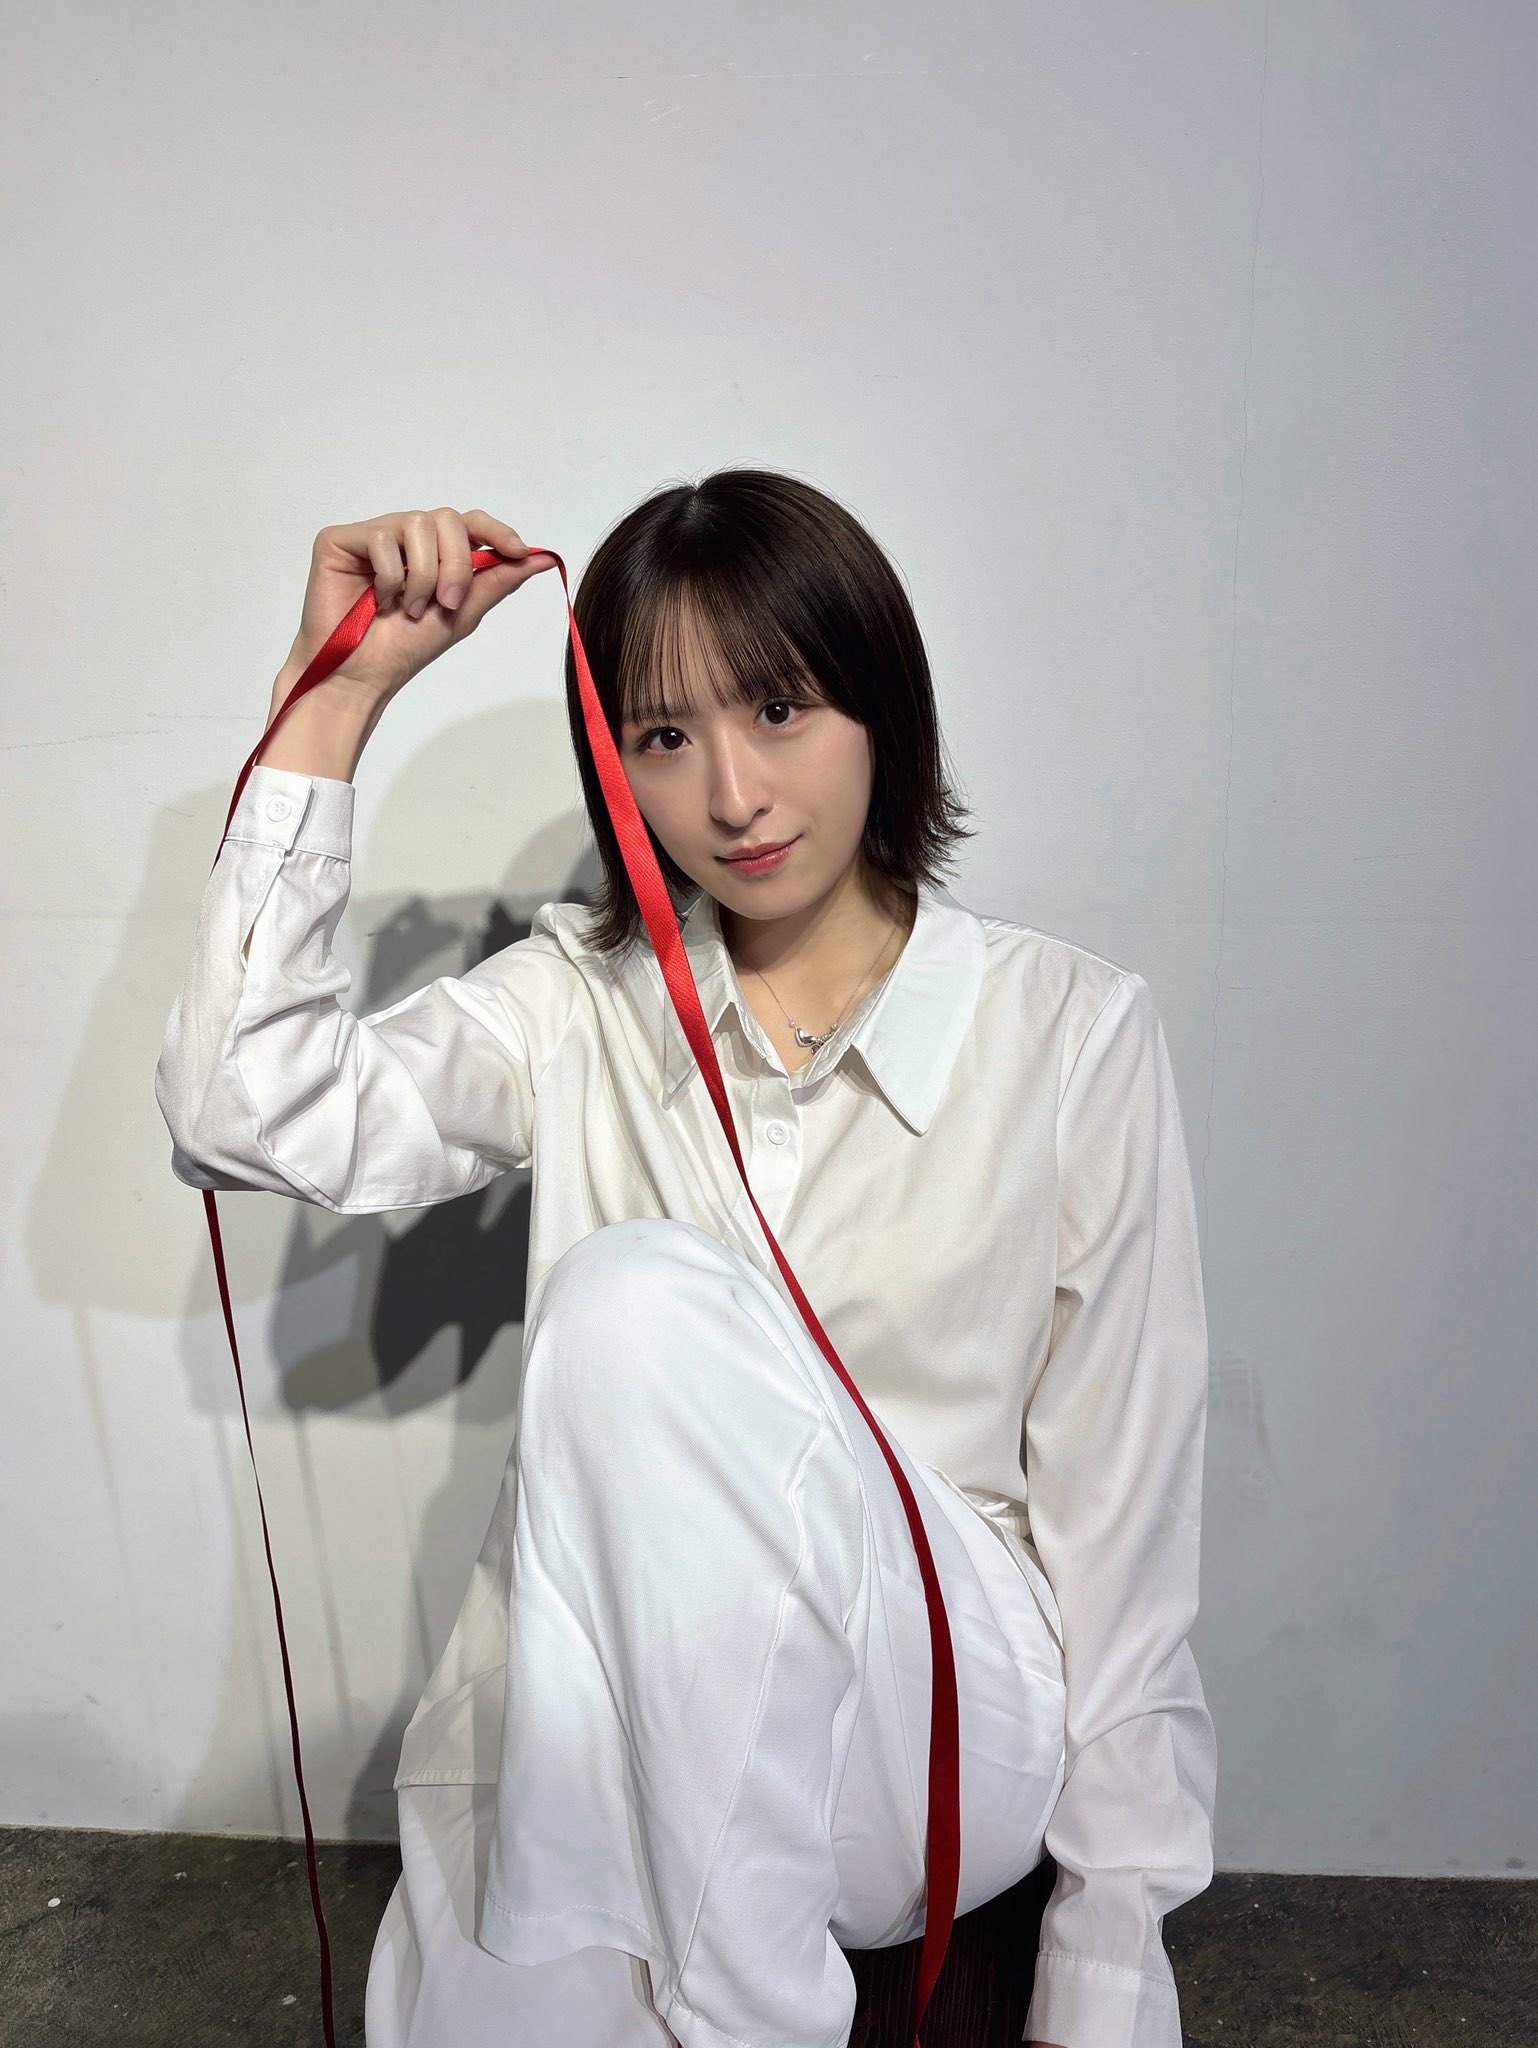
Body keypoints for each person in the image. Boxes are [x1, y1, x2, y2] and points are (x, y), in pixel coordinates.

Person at [153, 472, 1218, 2048]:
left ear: (880, 707)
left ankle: (747, 2018)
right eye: (661, 736)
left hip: (935, 1725)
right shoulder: (577, 1001)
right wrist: (338, 699)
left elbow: (1123, 1530)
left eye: (779, 710)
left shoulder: (1068, 1033)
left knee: (631, 1300)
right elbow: (243, 1114)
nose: (732, 795)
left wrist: (1105, 1979)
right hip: (617, 1723)